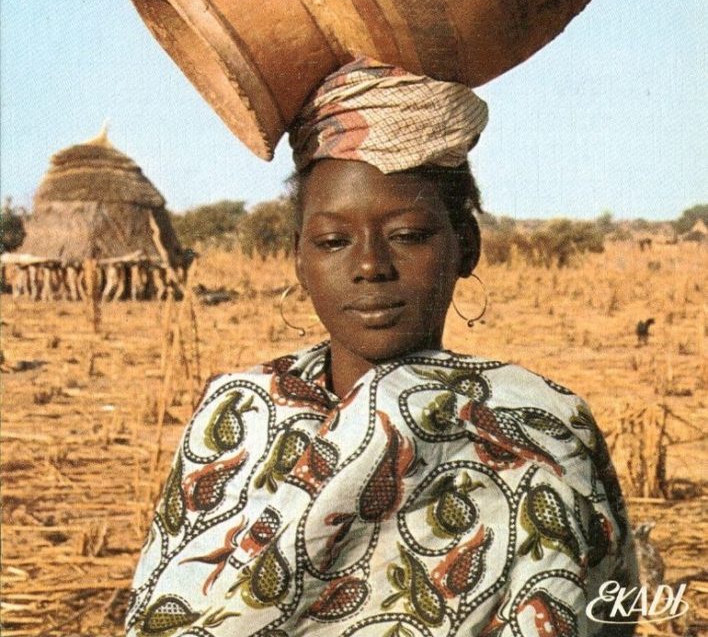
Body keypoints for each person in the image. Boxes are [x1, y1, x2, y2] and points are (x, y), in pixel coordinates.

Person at [125, 57, 638, 637]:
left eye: (408, 236)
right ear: (299, 255)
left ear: (465, 244)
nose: (370, 266)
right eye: (333, 240)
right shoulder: (237, 412)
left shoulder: (538, 431)